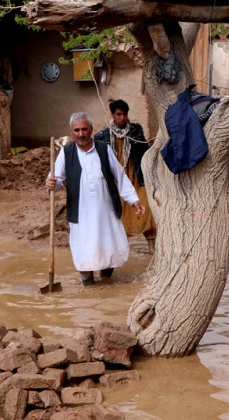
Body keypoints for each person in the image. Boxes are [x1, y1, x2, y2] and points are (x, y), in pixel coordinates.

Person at [45, 112, 145, 286]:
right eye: (77, 130)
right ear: (72, 132)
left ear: (91, 129)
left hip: (105, 211)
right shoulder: (66, 153)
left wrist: (134, 200)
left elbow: (120, 177)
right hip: (81, 212)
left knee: (108, 247)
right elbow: (57, 181)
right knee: (84, 248)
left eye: (84, 129)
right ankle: (87, 281)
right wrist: (51, 183)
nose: (81, 134)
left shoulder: (103, 149)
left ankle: (107, 280)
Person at [94, 99, 157, 253]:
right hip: (115, 180)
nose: (122, 118)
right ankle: (120, 250)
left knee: (146, 208)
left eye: (125, 114)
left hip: (135, 176)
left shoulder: (136, 131)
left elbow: (144, 152)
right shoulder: (102, 136)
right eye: (119, 114)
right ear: (112, 115)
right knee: (117, 214)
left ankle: (151, 247)